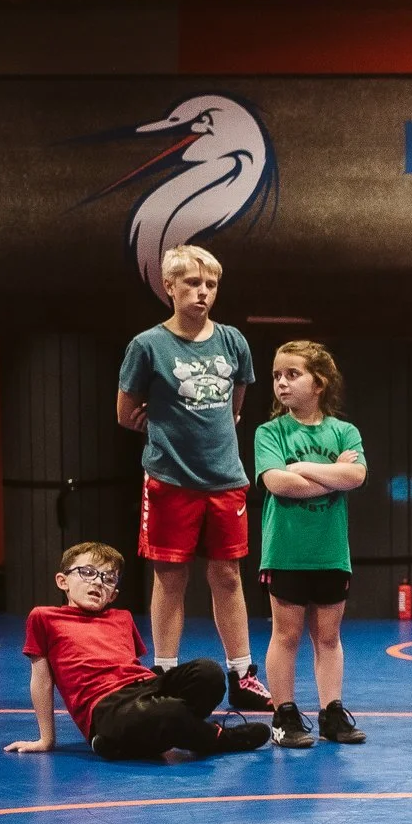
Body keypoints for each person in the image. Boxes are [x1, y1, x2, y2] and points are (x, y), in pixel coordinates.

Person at [116, 243, 271, 713]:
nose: (203, 292)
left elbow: (236, 404)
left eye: (211, 284)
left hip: (225, 480)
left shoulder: (233, 341)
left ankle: (242, 674)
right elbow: (125, 413)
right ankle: (164, 673)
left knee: (228, 576)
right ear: (169, 286)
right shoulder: (147, 346)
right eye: (192, 283)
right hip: (170, 480)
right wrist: (163, 427)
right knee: (170, 577)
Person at [6, 542, 270, 761]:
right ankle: (217, 738)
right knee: (168, 711)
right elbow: (41, 680)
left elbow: (132, 669)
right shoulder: (44, 617)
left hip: (143, 688)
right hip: (105, 705)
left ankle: (126, 742)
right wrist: (47, 739)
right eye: (87, 573)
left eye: (108, 578)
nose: (98, 582)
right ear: (62, 581)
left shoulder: (122, 617)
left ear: (113, 594)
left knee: (208, 673)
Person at [254, 341, 367, 748]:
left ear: (319, 383)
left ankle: (331, 713)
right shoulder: (269, 432)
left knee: (328, 637)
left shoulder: (345, 432)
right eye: (276, 376)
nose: (281, 383)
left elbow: (356, 477)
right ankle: (284, 715)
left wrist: (301, 467)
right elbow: (278, 483)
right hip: (286, 551)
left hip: (330, 552)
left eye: (292, 374)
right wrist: (331, 473)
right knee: (286, 635)